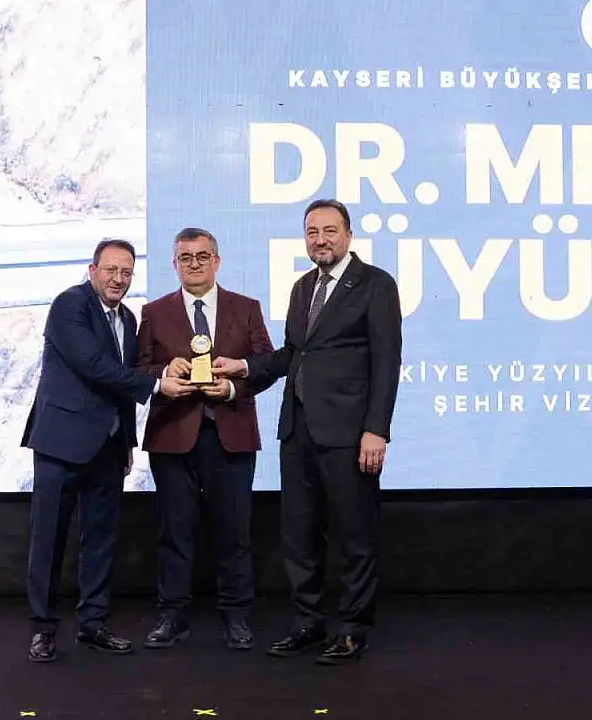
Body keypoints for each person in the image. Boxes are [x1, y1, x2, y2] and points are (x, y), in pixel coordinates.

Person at [211, 199, 402, 665]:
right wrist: (244, 367)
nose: (320, 239)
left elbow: (386, 362)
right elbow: (293, 355)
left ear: (349, 236)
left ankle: (352, 629)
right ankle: (308, 622)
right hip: (297, 431)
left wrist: (376, 430)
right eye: (312, 232)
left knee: (355, 534)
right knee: (298, 534)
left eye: (330, 231)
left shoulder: (375, 284)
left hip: (349, 433)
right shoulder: (302, 288)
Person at [21, 238, 194, 663]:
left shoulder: (128, 318)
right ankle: (43, 629)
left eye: (126, 272)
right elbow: (93, 366)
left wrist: (128, 440)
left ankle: (93, 624)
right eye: (111, 270)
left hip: (109, 447)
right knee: (49, 540)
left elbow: (123, 379)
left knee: (100, 541)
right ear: (92, 270)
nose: (119, 279)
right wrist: (157, 385)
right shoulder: (70, 305)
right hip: (61, 444)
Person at [134, 227, 276, 651]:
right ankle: (172, 615)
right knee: (174, 530)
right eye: (185, 257)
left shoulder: (246, 308)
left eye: (202, 256)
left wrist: (232, 387)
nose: (194, 264)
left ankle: (236, 615)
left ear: (217, 261)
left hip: (230, 433)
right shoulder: (154, 312)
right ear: (174, 264)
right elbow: (137, 371)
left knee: (234, 531)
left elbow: (267, 364)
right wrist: (164, 373)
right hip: (172, 435)